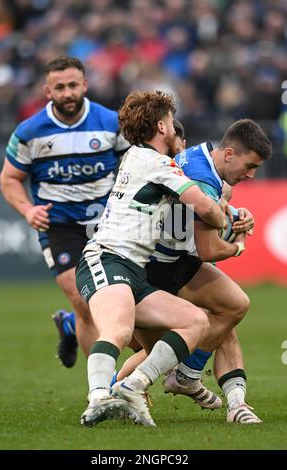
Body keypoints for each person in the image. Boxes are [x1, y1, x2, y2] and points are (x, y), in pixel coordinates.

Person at [76, 90, 225, 427]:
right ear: (161, 126)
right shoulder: (157, 163)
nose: (175, 131)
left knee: (195, 321)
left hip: (133, 270)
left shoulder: (135, 156)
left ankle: (133, 385)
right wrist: (224, 218)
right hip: (107, 258)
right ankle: (98, 397)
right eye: (172, 124)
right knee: (118, 328)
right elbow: (203, 207)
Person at [115, 118, 272, 423]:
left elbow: (218, 198)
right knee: (161, 349)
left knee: (232, 309)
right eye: (249, 165)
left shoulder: (202, 155)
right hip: (152, 269)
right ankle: (114, 391)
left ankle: (226, 399)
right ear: (229, 154)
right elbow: (209, 250)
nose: (251, 174)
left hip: (175, 261)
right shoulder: (202, 179)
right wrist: (240, 244)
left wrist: (236, 214)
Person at [0, 56, 130, 368]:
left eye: (73, 85)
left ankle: (70, 325)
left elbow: (133, 165)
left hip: (108, 222)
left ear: (85, 85)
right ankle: (102, 388)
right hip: (59, 225)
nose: (68, 93)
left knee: (122, 298)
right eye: (60, 87)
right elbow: (9, 179)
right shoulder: (30, 132)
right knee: (84, 300)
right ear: (47, 91)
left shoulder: (112, 122)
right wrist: (27, 210)